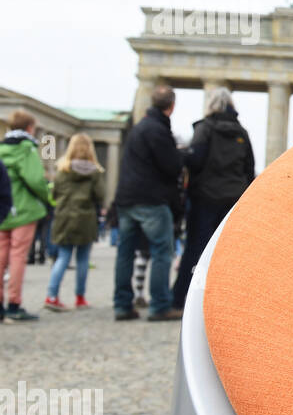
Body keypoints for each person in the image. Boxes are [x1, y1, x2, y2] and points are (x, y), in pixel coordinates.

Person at [171, 87, 255, 310]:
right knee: (227, 254)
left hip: (205, 199)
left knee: (195, 250)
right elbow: (250, 169)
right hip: (232, 201)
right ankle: (226, 302)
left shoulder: (204, 129)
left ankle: (182, 299)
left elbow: (195, 160)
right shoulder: (241, 133)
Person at [113, 86, 185, 322]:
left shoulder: (139, 128)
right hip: (151, 200)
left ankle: (122, 305)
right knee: (162, 252)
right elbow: (171, 166)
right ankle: (160, 305)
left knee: (125, 253)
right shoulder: (158, 130)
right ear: (171, 106)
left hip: (126, 198)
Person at [1, 110, 53, 323]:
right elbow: (35, 180)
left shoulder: (2, 148)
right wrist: (47, 199)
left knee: (1, 257)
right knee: (17, 258)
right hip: (23, 210)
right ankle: (14, 304)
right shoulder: (27, 149)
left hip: (2, 209)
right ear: (30, 128)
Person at [45, 134, 106, 311]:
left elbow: (54, 194)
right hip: (85, 218)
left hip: (64, 217)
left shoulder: (62, 170)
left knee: (63, 257)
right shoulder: (94, 171)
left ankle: (52, 295)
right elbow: (100, 195)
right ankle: (80, 298)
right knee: (82, 259)